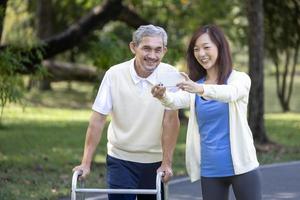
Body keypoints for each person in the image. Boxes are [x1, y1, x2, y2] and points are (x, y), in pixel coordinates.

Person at [151, 24, 262, 200]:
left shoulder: (239, 79)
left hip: (242, 166)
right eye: (196, 49)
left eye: (206, 47)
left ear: (220, 47)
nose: (201, 53)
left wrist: (200, 88)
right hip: (210, 171)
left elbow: (230, 93)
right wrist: (162, 95)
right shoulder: (197, 84)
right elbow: (174, 101)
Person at [73, 24, 180, 200]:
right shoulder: (114, 74)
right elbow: (98, 119)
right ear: (133, 47)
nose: (152, 56)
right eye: (146, 48)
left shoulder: (171, 75)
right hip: (120, 159)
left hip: (155, 162)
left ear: (164, 51)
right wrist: (86, 162)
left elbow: (170, 121)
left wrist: (167, 163)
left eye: (158, 50)